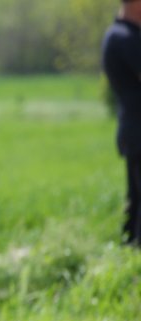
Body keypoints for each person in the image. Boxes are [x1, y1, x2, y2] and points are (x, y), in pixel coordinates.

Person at [104, 0, 141, 247]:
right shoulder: (125, 38)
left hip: (133, 129)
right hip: (138, 130)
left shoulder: (122, 35)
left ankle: (129, 257)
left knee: (136, 200)